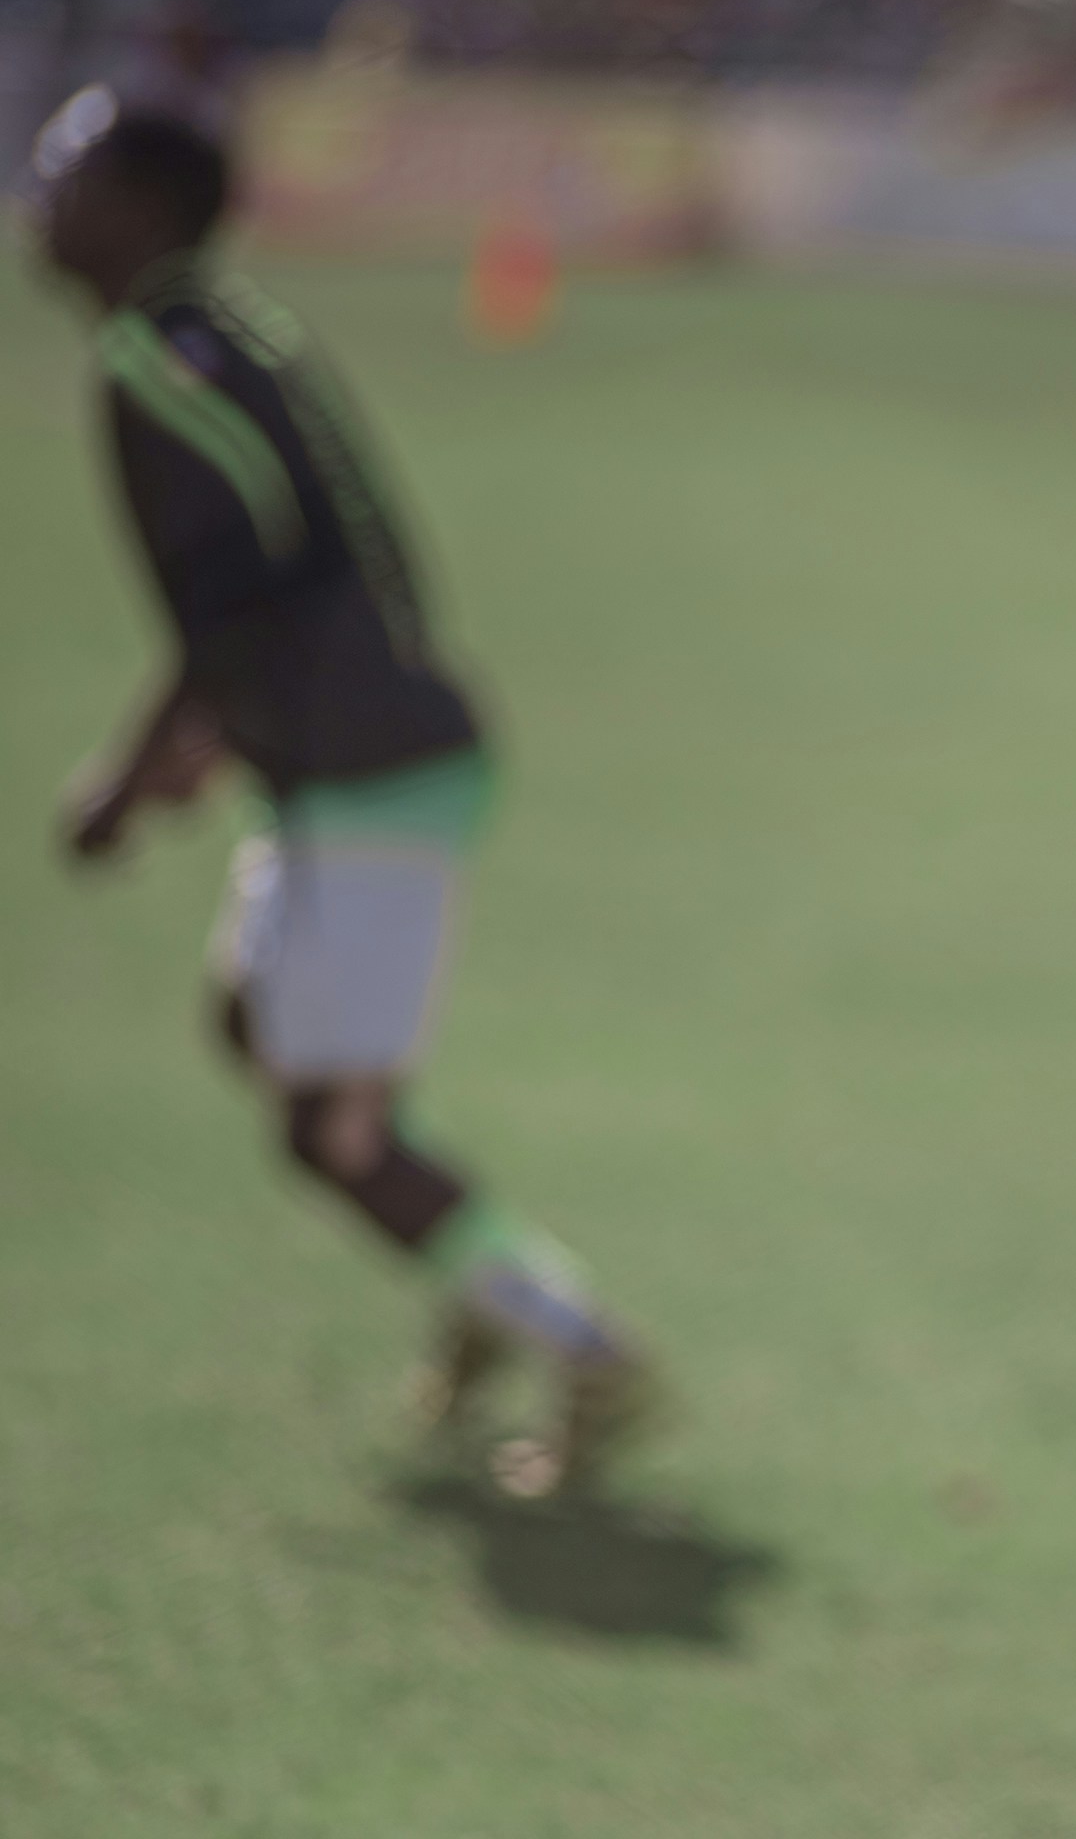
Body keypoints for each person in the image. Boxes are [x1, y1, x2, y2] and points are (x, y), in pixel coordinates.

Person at [26, 89, 654, 1497]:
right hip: (347, 765)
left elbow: (232, 608)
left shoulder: (157, 362)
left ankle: (580, 1343)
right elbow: (327, 557)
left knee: (333, 1129)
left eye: (65, 168)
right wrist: (224, 733)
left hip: (371, 779)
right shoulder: (228, 331)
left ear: (136, 207)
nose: (39, 191)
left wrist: (127, 782)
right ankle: (479, 1278)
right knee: (257, 1025)